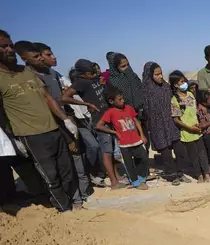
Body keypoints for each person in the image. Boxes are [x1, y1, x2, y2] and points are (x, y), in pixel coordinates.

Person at [0, 29, 79, 212]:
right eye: (4, 47)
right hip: (31, 135)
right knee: (50, 175)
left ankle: (68, 201)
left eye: (11, 45)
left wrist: (65, 119)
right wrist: (12, 139)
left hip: (53, 128)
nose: (10, 50)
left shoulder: (26, 71)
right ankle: (64, 210)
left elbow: (47, 97)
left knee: (67, 171)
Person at [28, 42, 92, 203]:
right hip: (50, 128)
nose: (54, 57)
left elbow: (62, 100)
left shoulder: (53, 74)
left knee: (77, 160)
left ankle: (81, 196)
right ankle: (69, 199)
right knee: (60, 168)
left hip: (66, 123)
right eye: (48, 54)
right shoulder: (30, 77)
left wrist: (71, 120)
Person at [62, 59, 123, 190]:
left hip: (109, 117)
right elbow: (64, 98)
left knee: (111, 150)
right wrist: (86, 104)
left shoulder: (95, 79)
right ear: (82, 74)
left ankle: (117, 176)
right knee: (106, 152)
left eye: (94, 70)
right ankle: (113, 182)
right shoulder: (81, 83)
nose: (94, 73)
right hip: (100, 120)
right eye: (91, 72)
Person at [141, 61, 192, 185]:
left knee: (180, 150)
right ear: (149, 75)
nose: (160, 77)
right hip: (157, 125)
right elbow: (145, 110)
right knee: (166, 153)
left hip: (170, 122)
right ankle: (172, 176)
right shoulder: (145, 89)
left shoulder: (166, 86)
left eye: (161, 73)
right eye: (156, 74)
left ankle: (180, 172)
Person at [95, 87, 149, 190]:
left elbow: (136, 122)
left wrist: (142, 135)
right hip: (124, 144)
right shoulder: (110, 112)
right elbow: (99, 125)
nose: (123, 101)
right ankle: (135, 182)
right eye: (119, 99)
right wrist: (114, 132)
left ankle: (141, 178)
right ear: (111, 101)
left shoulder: (128, 108)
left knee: (144, 159)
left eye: (122, 98)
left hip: (136, 140)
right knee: (129, 164)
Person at [170, 71, 209, 183]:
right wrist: (189, 128)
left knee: (202, 153)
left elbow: (195, 111)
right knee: (193, 156)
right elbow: (176, 119)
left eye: (184, 81)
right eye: (181, 82)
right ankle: (199, 175)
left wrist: (199, 123)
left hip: (198, 130)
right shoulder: (174, 100)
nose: (184, 84)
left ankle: (206, 173)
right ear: (175, 84)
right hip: (187, 133)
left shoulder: (191, 95)